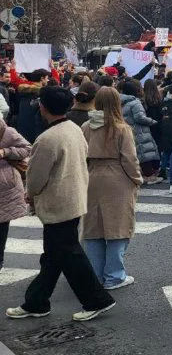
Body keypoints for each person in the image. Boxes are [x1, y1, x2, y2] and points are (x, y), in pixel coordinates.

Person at [6, 86, 116, 321]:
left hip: (57, 202)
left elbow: (36, 177)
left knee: (69, 254)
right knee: (54, 255)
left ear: (43, 108)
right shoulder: (74, 129)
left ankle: (97, 299)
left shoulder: (47, 139)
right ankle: (36, 301)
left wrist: (30, 193)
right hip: (73, 196)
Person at [81, 87, 143, 290]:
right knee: (118, 227)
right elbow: (130, 159)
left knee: (94, 228)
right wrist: (137, 179)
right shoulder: (121, 128)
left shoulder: (86, 127)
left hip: (92, 175)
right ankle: (114, 276)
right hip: (117, 176)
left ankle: (94, 275)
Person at [0, 116, 30, 272]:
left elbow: (27, 148)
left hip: (5, 189)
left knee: (1, 228)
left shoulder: (7, 132)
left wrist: (6, 152)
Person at [118, 79, 160, 185]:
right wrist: (152, 121)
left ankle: (138, 173)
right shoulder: (135, 102)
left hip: (127, 129)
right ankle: (149, 176)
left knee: (135, 152)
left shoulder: (119, 101)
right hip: (139, 130)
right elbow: (140, 117)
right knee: (144, 152)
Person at [142, 79, 167, 184]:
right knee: (158, 147)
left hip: (147, 126)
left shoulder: (143, 100)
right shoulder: (159, 99)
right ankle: (157, 168)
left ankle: (149, 169)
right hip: (158, 125)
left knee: (148, 148)